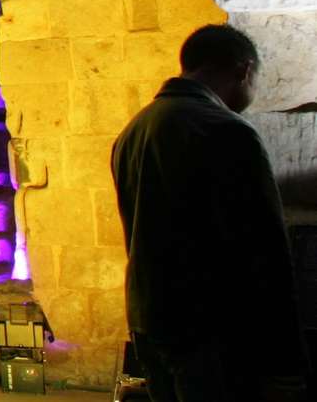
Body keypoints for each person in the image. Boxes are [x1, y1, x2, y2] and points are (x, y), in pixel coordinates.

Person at [111, 23, 307, 402]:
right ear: (244, 70)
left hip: (149, 317)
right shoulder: (226, 130)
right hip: (211, 327)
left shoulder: (133, 131)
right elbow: (266, 247)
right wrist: (288, 359)